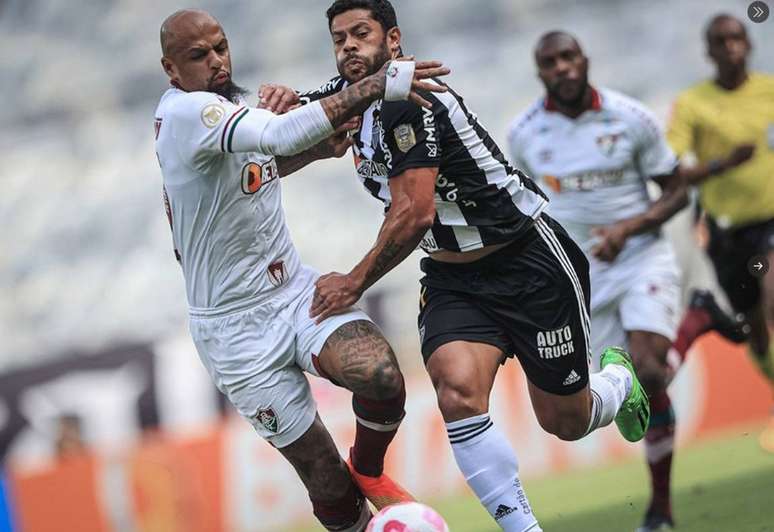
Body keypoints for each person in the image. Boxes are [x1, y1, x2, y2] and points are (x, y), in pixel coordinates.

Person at [262, 2, 652, 530]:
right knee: (456, 393)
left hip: (527, 260)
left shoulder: (412, 99)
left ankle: (617, 383)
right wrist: (274, 102)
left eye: (361, 33)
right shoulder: (348, 97)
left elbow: (416, 212)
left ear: (393, 40)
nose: (349, 46)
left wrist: (353, 282)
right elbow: (275, 136)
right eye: (339, 38)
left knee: (566, 420)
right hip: (454, 279)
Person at [154, 9, 450, 531]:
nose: (218, 62)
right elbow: (281, 136)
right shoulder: (189, 113)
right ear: (171, 70)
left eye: (221, 47)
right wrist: (379, 85)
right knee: (324, 479)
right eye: (199, 57)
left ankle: (371, 470)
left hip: (292, 290)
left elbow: (257, 166)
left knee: (379, 375)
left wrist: (317, 149)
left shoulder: (224, 108)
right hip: (234, 331)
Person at [507, 31, 752, 532]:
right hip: (582, 278)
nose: (563, 69)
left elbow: (677, 192)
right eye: (550, 62)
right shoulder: (524, 134)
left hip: (642, 258)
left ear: (585, 60)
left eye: (569, 57)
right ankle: (700, 315)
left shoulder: (631, 117)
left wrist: (628, 228)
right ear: (541, 73)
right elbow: (523, 212)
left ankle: (660, 510)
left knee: (649, 371)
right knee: (635, 394)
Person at [667, 13, 774, 454]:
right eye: (719, 40)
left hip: (769, 223)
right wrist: (721, 165)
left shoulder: (769, 91)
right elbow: (669, 171)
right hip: (727, 235)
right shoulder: (693, 104)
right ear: (708, 51)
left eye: (736, 38)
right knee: (756, 331)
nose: (729, 46)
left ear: (748, 44)